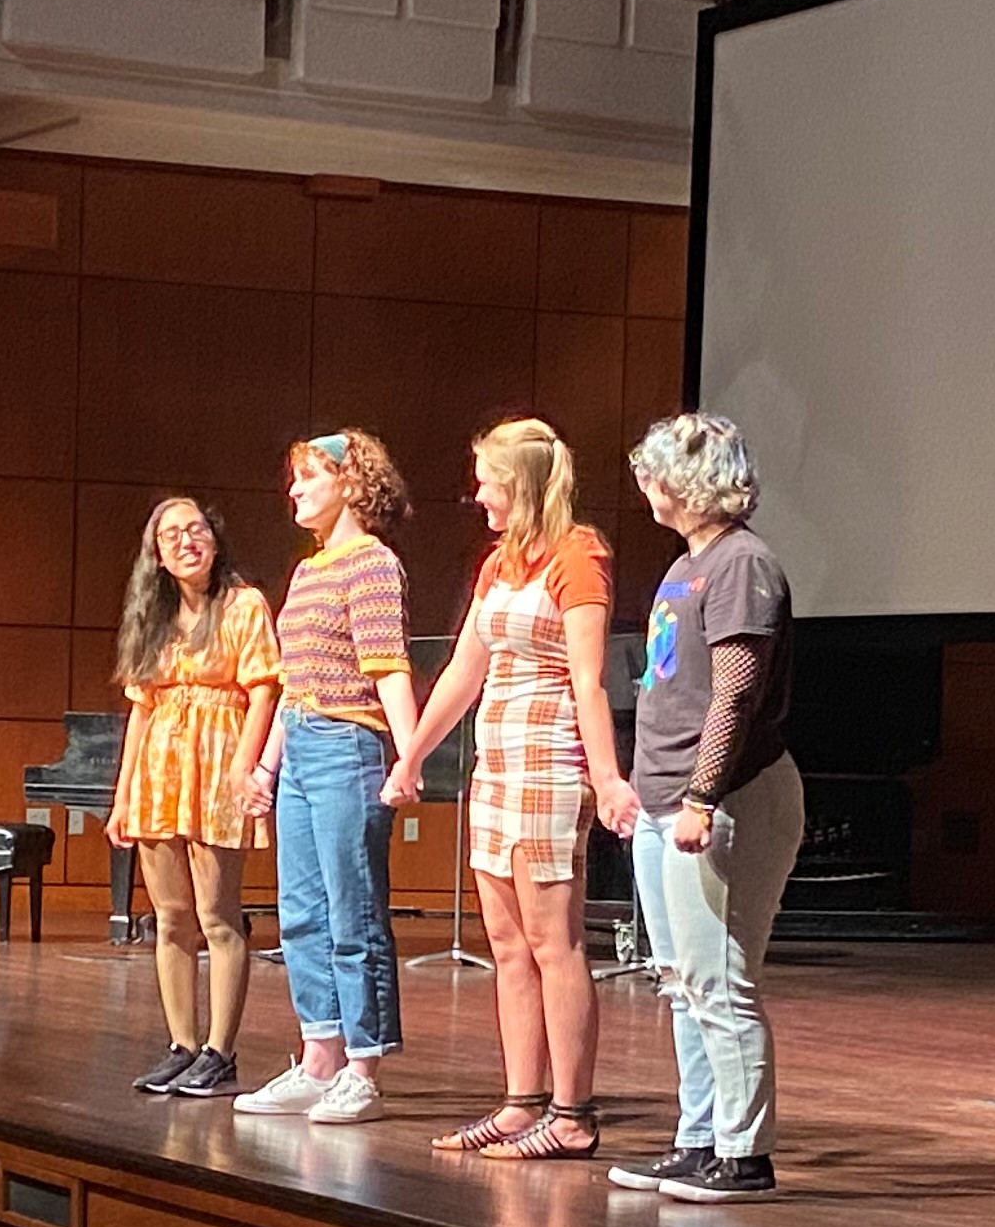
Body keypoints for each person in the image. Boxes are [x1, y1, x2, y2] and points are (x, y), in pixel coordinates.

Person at [384, 416, 621, 1162]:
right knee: (508, 945)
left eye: (487, 482)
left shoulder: (577, 557)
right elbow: (463, 670)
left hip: (550, 767)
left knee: (555, 943)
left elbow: (588, 679)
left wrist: (608, 777)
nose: (478, 496)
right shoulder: (497, 564)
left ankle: (573, 1112)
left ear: (519, 484)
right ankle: (521, 1103)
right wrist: (411, 754)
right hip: (497, 768)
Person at [603, 413, 802, 1203]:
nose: (645, 488)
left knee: (720, 980)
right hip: (663, 798)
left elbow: (735, 696)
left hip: (723, 800)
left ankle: (744, 1155)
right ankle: (699, 1137)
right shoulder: (690, 564)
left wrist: (700, 797)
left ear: (687, 482)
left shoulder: (742, 565)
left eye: (654, 473)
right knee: (681, 979)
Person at [235, 432, 424, 1125]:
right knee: (302, 912)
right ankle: (318, 1058)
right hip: (305, 750)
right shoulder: (310, 571)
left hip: (351, 747)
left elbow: (388, 667)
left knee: (354, 912)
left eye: (308, 477)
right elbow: (294, 683)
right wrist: (266, 765)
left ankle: (362, 1066)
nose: (294, 491)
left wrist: (409, 757)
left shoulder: (372, 564)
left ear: (349, 482)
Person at [109, 494, 280, 1101]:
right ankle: (181, 1044)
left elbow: (263, 691)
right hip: (160, 769)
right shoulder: (152, 619)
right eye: (172, 535)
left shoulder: (244, 605)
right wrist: (123, 794)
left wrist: (245, 763)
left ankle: (220, 1052)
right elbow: (141, 710)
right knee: (171, 917)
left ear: (215, 536)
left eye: (197, 528)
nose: (187, 540)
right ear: (157, 556)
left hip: (217, 764)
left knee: (217, 916)